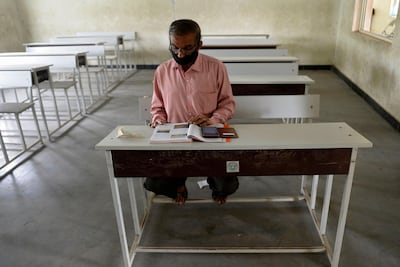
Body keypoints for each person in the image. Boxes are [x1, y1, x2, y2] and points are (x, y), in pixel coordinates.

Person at [144, 19, 239, 205]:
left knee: (227, 186)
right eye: (174, 47)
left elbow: (228, 104)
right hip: (175, 136)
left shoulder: (216, 67)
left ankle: (215, 183)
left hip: (210, 133)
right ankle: (178, 183)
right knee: (153, 182)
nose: (180, 54)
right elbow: (158, 107)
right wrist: (159, 120)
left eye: (187, 48)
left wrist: (213, 120)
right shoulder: (162, 71)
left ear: (199, 45)